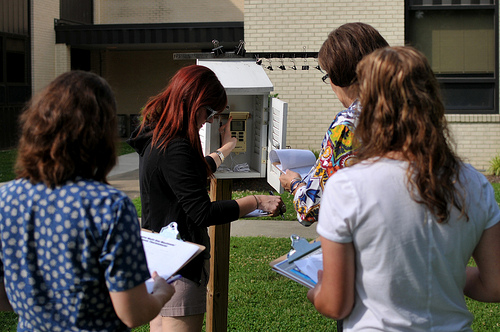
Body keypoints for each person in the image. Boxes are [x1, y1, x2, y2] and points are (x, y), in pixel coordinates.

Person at [308, 46, 500, 331]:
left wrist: (318, 291)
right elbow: (494, 285)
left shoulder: (348, 187)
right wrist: (445, 275)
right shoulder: (476, 183)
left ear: (370, 107)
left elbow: (336, 303)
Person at [0, 71, 175, 330]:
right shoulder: (109, 207)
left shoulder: (6, 199)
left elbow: (4, 296)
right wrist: (161, 292)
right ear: (100, 134)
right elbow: (132, 313)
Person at [127, 64, 284, 332]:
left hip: (160, 262)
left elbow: (187, 175)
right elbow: (202, 212)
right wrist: (256, 201)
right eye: (209, 111)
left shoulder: (157, 135)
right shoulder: (175, 146)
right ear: (192, 102)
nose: (211, 120)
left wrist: (225, 149)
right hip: (181, 268)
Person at [279, 22, 389, 226]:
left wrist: (294, 184)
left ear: (340, 76)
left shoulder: (347, 127)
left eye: (328, 75)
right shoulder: (410, 110)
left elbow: (311, 207)